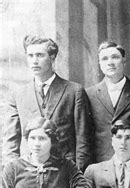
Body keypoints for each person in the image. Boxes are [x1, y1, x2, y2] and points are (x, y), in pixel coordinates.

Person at [4, 35, 92, 171]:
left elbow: (83, 141)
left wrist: (77, 175)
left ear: (52, 57)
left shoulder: (74, 91)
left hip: (64, 172)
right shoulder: (18, 94)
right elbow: (11, 142)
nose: (34, 61)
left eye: (39, 55)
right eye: (30, 55)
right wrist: (15, 174)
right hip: (29, 172)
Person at [86, 41, 130, 163]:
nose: (110, 63)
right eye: (105, 59)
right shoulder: (89, 95)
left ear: (124, 61)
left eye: (115, 57)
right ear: (100, 64)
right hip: (101, 164)